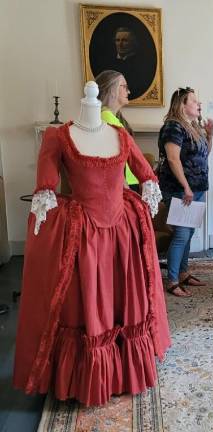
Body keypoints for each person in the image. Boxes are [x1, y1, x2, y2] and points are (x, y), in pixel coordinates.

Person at [13, 81, 171, 406]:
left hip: (122, 234)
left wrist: (150, 194)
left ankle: (123, 371)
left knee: (123, 304)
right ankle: (89, 377)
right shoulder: (58, 136)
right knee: (87, 308)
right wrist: (44, 203)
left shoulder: (120, 135)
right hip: (82, 235)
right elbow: (46, 184)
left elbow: (146, 176)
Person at [158, 87, 213, 297]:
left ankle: (182, 273)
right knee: (181, 234)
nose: (199, 104)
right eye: (194, 101)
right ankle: (172, 281)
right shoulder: (173, 126)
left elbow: (204, 154)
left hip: (197, 188)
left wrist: (210, 135)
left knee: (189, 232)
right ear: (182, 105)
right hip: (180, 189)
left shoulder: (193, 127)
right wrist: (186, 187)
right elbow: (173, 159)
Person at [95, 69, 140, 191]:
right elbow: (111, 160)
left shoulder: (114, 117)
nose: (129, 91)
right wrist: (125, 187)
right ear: (112, 89)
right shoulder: (106, 117)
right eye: (124, 87)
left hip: (129, 180)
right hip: (123, 184)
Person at [106, 27, 155, 99]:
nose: (120, 44)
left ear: (133, 43)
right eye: (117, 40)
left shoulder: (142, 64)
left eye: (125, 40)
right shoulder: (108, 63)